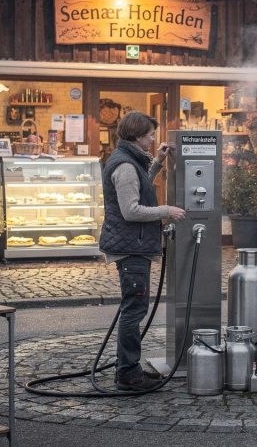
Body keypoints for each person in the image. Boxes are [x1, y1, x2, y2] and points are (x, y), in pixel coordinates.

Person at [99, 112, 185, 391]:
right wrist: (166, 211)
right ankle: (128, 375)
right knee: (134, 311)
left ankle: (129, 368)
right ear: (137, 135)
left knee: (134, 309)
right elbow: (130, 209)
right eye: (150, 134)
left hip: (132, 244)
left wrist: (158, 161)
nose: (152, 138)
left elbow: (140, 184)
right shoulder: (124, 165)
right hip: (131, 246)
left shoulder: (129, 160)